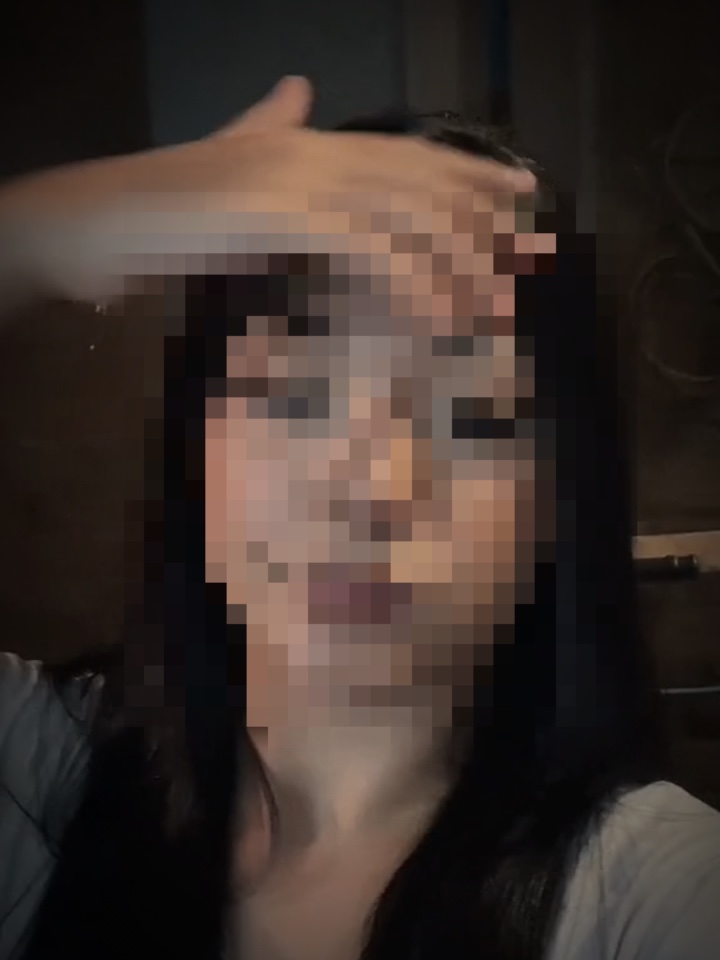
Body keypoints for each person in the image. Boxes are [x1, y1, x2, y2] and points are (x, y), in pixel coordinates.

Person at [1, 80, 719, 960]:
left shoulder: (657, 898)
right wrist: (60, 230)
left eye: (472, 417)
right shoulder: (43, 781)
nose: (375, 486)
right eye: (302, 394)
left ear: (558, 502)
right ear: (196, 447)